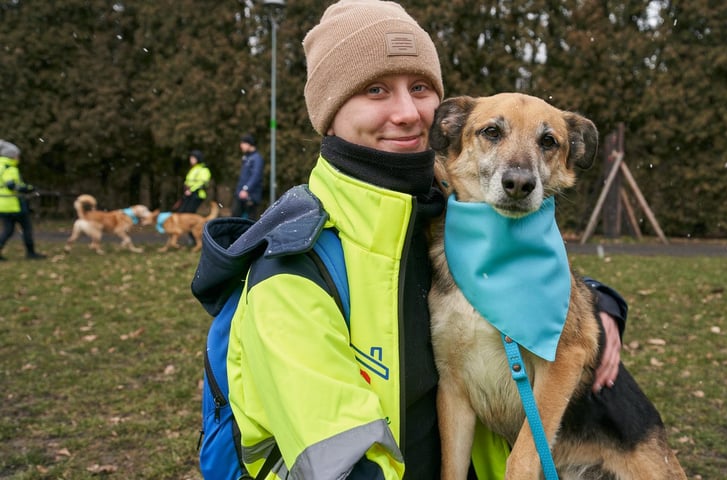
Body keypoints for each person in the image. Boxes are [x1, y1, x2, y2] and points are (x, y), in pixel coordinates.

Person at [192, 1, 627, 478]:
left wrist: (596, 307)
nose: (405, 112)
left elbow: (515, 278)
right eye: (375, 90)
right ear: (330, 111)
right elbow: (343, 467)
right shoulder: (294, 272)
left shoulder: (444, 213)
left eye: (419, 88)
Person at [0, 140, 46, 260]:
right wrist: (28, 188)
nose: (18, 158)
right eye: (17, 155)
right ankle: (31, 253)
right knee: (26, 228)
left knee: (8, 230)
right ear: (11, 156)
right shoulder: (9, 168)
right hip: (13, 204)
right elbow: (11, 185)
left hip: (2, 204)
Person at [231, 134, 264, 220]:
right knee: (235, 217)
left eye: (243, 143)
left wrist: (246, 189)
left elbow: (256, 176)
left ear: (249, 144)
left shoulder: (256, 158)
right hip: (241, 193)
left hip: (250, 195)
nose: (241, 146)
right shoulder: (246, 157)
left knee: (249, 220)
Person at [177, 149, 212, 214]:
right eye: (191, 158)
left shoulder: (204, 170)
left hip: (197, 194)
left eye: (193, 158)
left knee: (189, 213)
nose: (191, 159)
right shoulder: (192, 169)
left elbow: (202, 184)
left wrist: (191, 190)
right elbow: (187, 182)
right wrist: (186, 189)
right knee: (182, 212)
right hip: (188, 194)